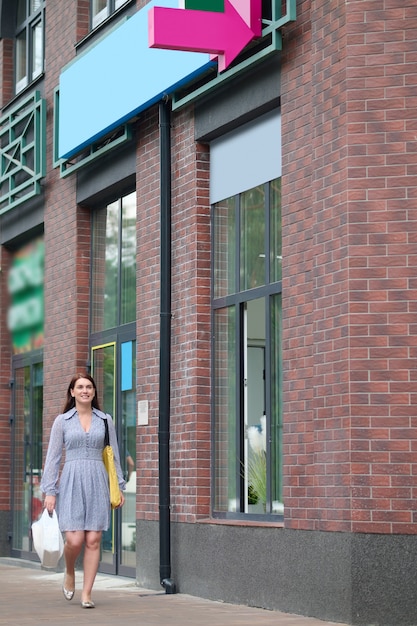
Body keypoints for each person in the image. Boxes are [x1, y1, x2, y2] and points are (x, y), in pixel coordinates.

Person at [40, 373, 126, 609]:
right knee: (75, 539)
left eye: (89, 387)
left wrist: (118, 486)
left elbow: (113, 454)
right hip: (71, 480)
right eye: (80, 387)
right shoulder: (62, 421)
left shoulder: (105, 420)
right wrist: (50, 490)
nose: (85, 390)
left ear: (94, 392)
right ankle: (69, 571)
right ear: (72, 392)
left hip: (98, 480)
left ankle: (87, 593)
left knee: (94, 539)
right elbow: (53, 458)